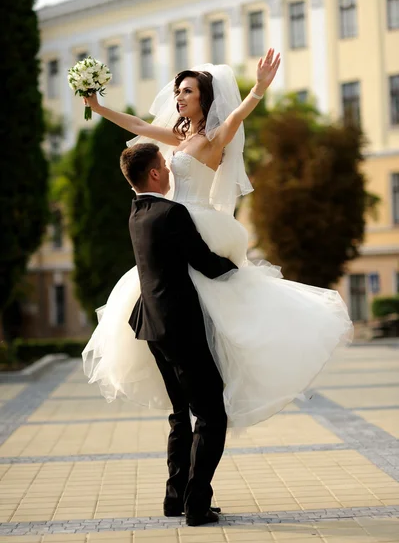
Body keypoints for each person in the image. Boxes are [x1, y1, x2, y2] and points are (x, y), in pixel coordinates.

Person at [83, 48, 353, 430]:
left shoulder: (214, 138)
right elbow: (139, 127)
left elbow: (240, 115)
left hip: (198, 223)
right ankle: (186, 390)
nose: (178, 97)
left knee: (213, 303)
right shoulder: (178, 136)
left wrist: (258, 88)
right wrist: (98, 106)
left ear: (203, 98)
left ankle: (217, 374)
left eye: (187, 92)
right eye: (177, 91)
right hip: (171, 222)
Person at [118, 142, 236, 525]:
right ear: (153, 173)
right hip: (179, 327)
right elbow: (205, 262)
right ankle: (197, 505)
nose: (169, 171)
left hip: (151, 325)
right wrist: (242, 268)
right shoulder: (171, 213)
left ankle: (175, 498)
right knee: (211, 414)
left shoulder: (138, 212)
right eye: (163, 167)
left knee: (179, 413)